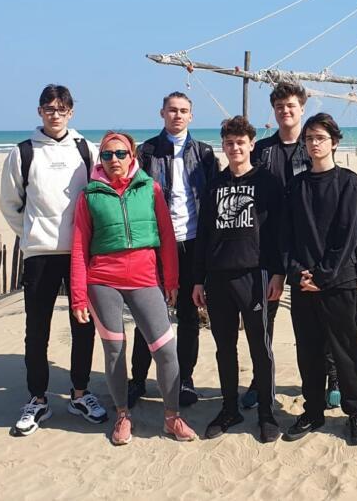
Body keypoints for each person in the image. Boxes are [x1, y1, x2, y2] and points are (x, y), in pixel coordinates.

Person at [69, 131, 198, 445]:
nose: (114, 160)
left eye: (120, 154)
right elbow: (79, 246)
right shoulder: (89, 195)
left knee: (165, 349)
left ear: (132, 156)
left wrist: (171, 281)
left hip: (144, 278)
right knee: (115, 349)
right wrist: (78, 296)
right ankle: (122, 415)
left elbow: (166, 236)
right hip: (103, 281)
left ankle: (172, 416)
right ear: (100, 159)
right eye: (107, 155)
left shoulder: (150, 188)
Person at [0, 84, 106, 436]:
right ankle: (38, 399)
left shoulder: (86, 149)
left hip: (79, 254)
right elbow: (10, 204)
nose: (55, 114)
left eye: (61, 109)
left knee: (83, 326)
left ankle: (80, 393)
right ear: (39, 111)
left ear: (71, 112)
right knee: (37, 329)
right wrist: (33, 234)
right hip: (40, 254)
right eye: (49, 108)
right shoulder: (23, 152)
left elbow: (98, 195)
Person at [248, 82, 341, 411]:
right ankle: (260, 380)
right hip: (270, 245)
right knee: (264, 317)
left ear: (301, 108)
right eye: (279, 106)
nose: (285, 111)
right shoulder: (263, 150)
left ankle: (332, 378)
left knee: (322, 318)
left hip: (309, 247)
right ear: (273, 111)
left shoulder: (314, 144)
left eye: (290, 105)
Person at [280, 113, 357, 446]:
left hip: (339, 282)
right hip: (303, 283)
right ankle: (313, 410)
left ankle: (355, 412)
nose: (314, 143)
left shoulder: (349, 183)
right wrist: (297, 272)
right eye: (309, 138)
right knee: (308, 351)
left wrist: (323, 275)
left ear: (334, 142)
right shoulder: (297, 186)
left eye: (320, 137)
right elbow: (287, 236)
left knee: (345, 349)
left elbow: (349, 236)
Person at [193, 116, 283, 443]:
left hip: (255, 274)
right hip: (218, 276)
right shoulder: (214, 184)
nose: (235, 148)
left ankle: (266, 413)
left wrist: (278, 273)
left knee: (260, 346)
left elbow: (278, 231)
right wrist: (198, 279)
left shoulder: (267, 182)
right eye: (229, 143)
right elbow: (203, 233)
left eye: (240, 142)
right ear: (223, 146)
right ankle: (229, 408)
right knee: (224, 348)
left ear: (251, 144)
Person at [127, 92, 219, 408]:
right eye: (172, 110)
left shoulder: (204, 154)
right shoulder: (147, 152)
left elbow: (212, 201)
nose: (177, 115)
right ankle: (138, 379)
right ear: (162, 113)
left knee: (190, 315)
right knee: (148, 314)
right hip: (155, 244)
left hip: (192, 242)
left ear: (191, 116)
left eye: (183, 111)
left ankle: (185, 379)